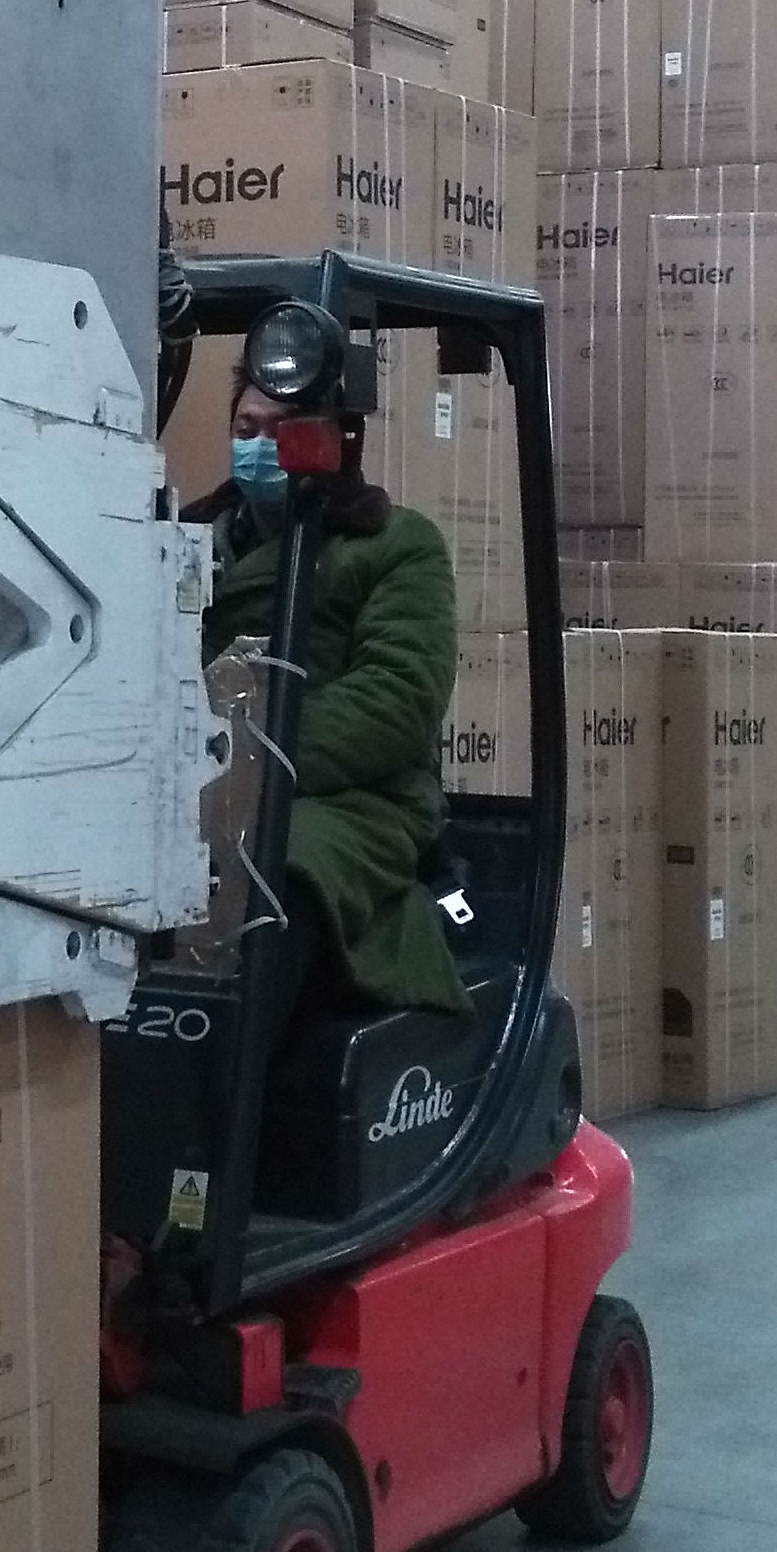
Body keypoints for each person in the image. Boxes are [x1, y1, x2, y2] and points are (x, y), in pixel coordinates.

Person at [201, 308, 469, 1027]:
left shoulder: (394, 546)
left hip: (353, 799)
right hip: (194, 779)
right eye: (246, 428)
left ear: (329, 438)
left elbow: (396, 698)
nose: (257, 446)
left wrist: (246, 762)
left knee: (275, 862)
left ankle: (242, 1074)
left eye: (279, 431)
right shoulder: (187, 541)